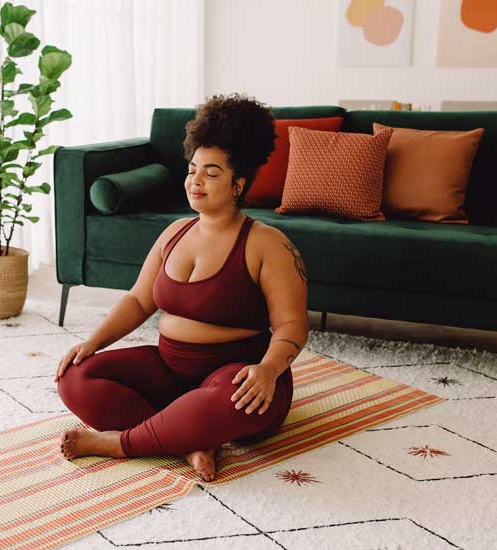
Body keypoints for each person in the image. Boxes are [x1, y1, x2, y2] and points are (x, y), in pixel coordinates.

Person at [54, 92, 309, 482]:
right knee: (75, 377)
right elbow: (139, 300)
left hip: (237, 376)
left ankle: (118, 444)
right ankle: (189, 440)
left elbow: (293, 326)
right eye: (192, 170)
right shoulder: (174, 232)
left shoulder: (267, 244)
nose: (196, 181)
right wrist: (93, 343)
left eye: (212, 172)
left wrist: (268, 372)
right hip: (170, 371)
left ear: (238, 183)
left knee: (225, 404)